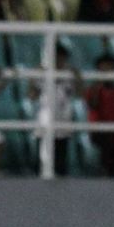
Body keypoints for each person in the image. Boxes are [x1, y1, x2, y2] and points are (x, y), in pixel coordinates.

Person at [29, 44, 81, 177]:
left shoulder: (70, 75)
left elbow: (80, 94)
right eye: (56, 57)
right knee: (43, 163)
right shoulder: (42, 74)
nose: (59, 61)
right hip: (45, 123)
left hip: (63, 122)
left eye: (62, 58)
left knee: (60, 163)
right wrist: (34, 78)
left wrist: (78, 78)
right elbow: (31, 95)